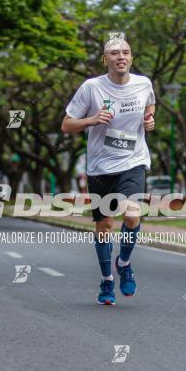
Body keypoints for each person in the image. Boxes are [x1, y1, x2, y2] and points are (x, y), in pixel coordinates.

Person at [61, 34, 155, 305]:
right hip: (100, 166)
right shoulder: (91, 88)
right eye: (115, 53)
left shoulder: (143, 83)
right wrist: (92, 120)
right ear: (106, 59)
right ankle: (106, 281)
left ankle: (124, 263)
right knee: (104, 225)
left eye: (125, 52)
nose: (121, 57)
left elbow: (150, 105)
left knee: (133, 213)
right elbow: (67, 125)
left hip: (133, 161)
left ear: (131, 58)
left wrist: (150, 120)